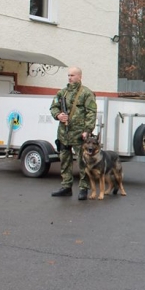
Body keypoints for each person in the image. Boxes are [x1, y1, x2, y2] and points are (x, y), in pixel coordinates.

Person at [49, 67, 97, 201]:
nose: (70, 78)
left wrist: (87, 130)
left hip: (79, 134)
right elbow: (53, 107)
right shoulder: (62, 93)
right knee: (64, 161)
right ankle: (66, 187)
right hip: (64, 133)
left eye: (72, 75)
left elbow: (91, 113)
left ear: (80, 77)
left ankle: (83, 188)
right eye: (68, 75)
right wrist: (58, 115)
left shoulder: (86, 93)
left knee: (83, 162)